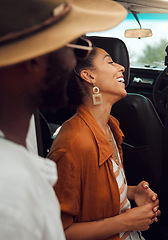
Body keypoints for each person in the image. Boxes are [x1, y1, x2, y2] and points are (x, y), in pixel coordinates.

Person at [0, 0, 126, 239]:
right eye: (74, 45)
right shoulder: (10, 193)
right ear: (35, 59)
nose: (74, 60)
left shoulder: (17, 159)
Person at [47, 46, 160, 240]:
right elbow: (60, 232)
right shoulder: (73, 143)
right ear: (89, 76)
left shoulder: (110, 128)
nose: (121, 67)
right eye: (110, 62)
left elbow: (93, 194)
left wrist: (131, 192)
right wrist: (127, 221)